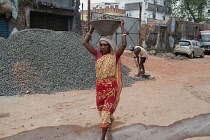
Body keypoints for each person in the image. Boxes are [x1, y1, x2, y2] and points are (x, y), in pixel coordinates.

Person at [83, 20, 127, 140]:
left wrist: (122, 28)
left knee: (106, 112)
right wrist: (91, 29)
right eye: (101, 45)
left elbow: (123, 45)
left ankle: (102, 137)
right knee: (102, 111)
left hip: (111, 88)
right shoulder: (97, 55)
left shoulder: (115, 56)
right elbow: (85, 42)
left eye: (105, 45)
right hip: (100, 87)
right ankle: (110, 119)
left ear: (110, 46)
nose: (102, 47)